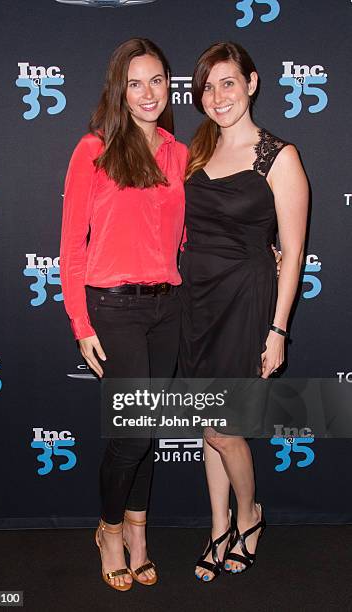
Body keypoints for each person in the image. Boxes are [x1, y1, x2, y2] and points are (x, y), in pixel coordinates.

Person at [59, 38, 188, 591]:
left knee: (149, 429)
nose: (148, 92)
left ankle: (138, 531)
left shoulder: (179, 153)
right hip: (113, 308)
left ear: (169, 84)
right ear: (119, 89)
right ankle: (110, 530)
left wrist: (264, 251)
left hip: (169, 308)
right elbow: (71, 245)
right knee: (133, 433)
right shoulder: (94, 148)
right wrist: (80, 323)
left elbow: (193, 236)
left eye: (157, 79)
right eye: (135, 82)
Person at [178, 41, 308, 581]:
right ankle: (218, 526)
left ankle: (249, 516)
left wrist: (278, 330)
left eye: (227, 82)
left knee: (225, 428)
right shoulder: (195, 152)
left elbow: (294, 250)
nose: (216, 95)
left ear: (252, 84)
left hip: (246, 300)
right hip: (196, 300)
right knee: (209, 426)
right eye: (207, 86)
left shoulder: (280, 156)